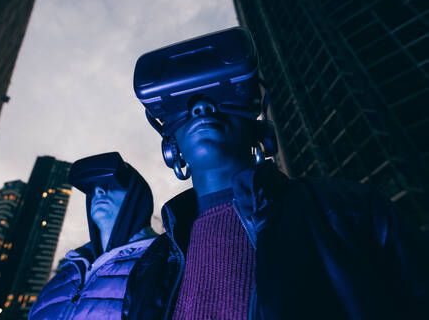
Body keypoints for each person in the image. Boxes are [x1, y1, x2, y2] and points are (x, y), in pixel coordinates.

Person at [122, 27, 429, 319]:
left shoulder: (349, 211)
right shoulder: (151, 267)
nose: (202, 108)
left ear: (262, 131)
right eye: (185, 107)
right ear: (171, 150)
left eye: (219, 98)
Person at [29, 152, 157, 320]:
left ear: (135, 197)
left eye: (110, 183)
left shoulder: (162, 263)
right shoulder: (62, 277)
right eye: (93, 189)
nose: (99, 191)